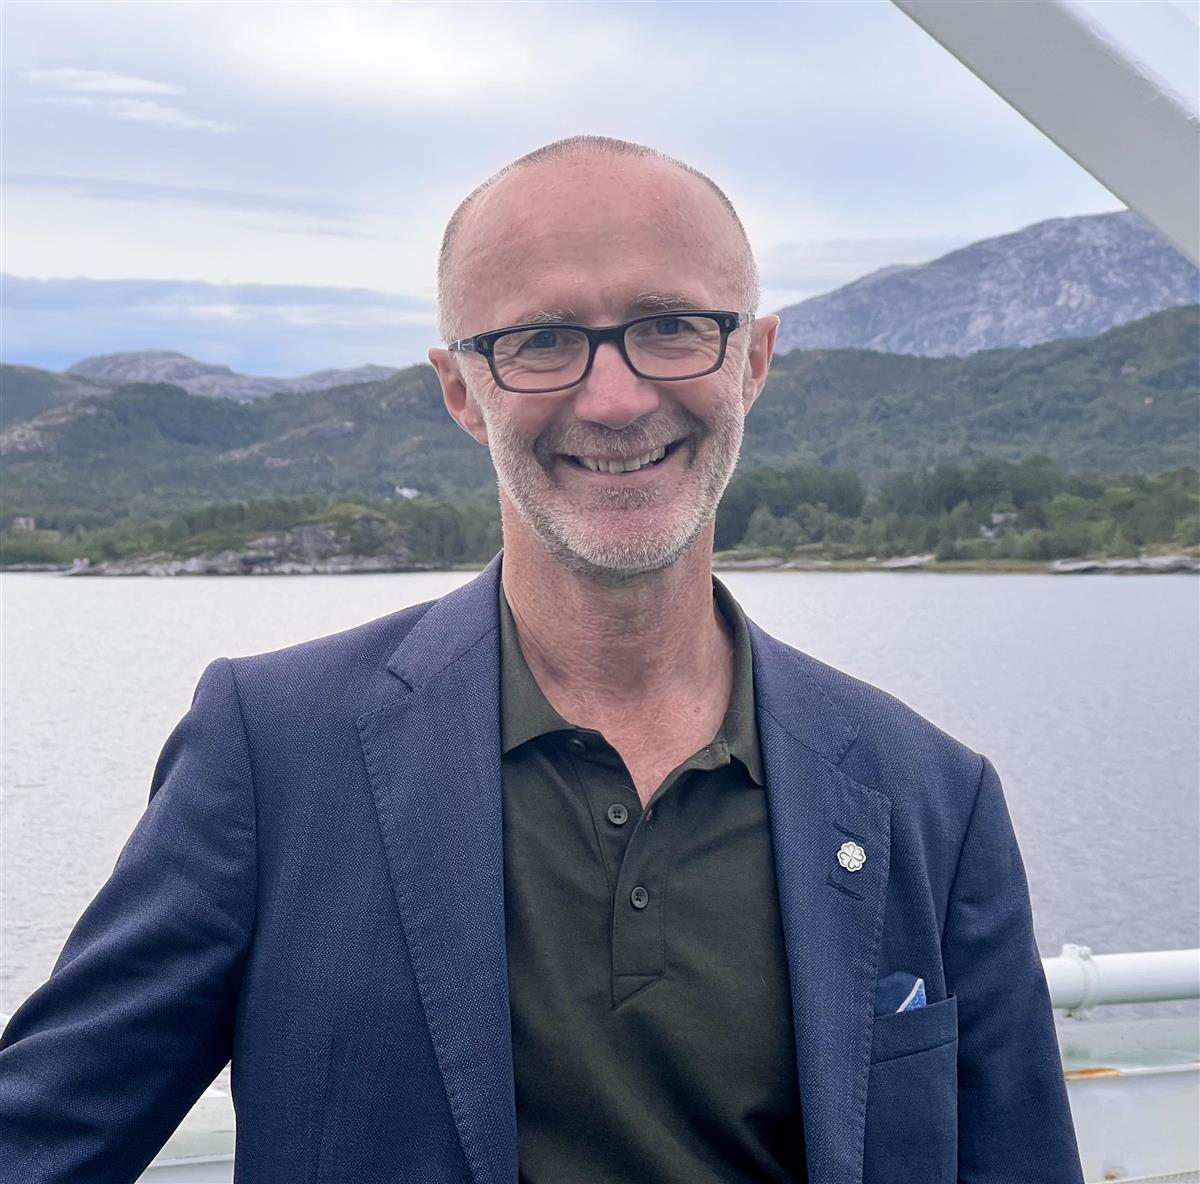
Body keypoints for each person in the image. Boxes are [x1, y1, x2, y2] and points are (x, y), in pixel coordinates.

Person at [0, 136, 1084, 1184]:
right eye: (542, 340)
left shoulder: (930, 797)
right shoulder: (275, 750)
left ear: (753, 360)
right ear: (461, 391)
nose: (614, 399)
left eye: (673, 327)